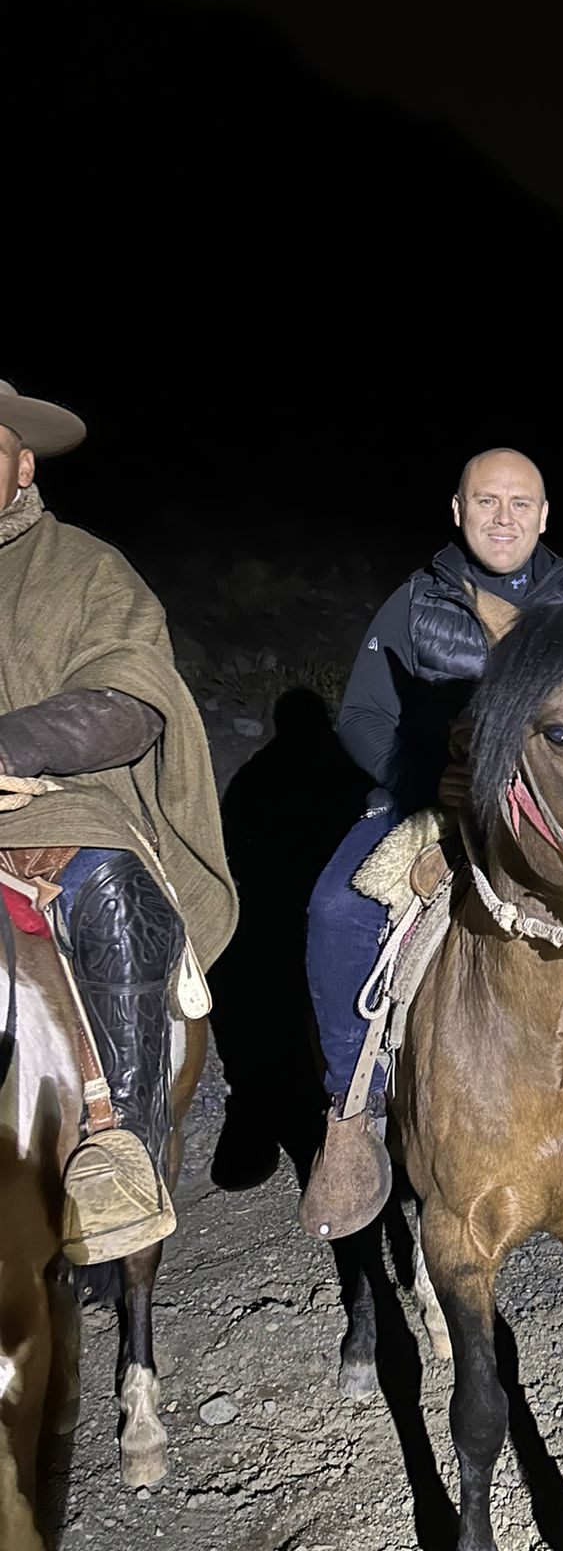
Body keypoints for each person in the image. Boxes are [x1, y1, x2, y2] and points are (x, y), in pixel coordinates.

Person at [300, 447, 563, 1240]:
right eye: (487, 502)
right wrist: (424, 776)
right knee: (335, 911)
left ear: (545, 516)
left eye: (521, 503)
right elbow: (362, 717)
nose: (504, 517)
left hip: (556, 819)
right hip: (430, 805)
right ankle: (353, 1112)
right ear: (458, 510)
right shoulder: (413, 604)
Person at [0, 378, 237, 1264]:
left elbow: (132, 700)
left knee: (110, 885)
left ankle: (122, 1155)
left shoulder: (86, 569)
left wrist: (10, 745)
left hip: (64, 806)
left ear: (22, 466)